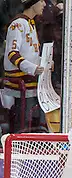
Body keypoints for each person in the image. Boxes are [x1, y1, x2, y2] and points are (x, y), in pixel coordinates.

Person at [3, 0, 46, 133]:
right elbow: (12, 53)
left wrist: (43, 62)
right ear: (32, 3)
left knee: (37, 118)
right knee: (22, 123)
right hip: (19, 85)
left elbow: (29, 54)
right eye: (42, 1)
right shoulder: (17, 24)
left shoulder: (31, 23)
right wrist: (32, 68)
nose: (44, 4)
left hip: (31, 82)